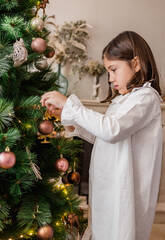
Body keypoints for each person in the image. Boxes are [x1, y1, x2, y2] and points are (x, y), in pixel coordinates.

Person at [40, 31, 163, 240]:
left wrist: (71, 105)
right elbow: (103, 136)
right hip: (108, 184)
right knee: (104, 227)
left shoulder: (146, 99)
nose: (110, 79)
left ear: (136, 63)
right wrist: (69, 118)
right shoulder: (122, 100)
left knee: (120, 230)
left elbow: (111, 129)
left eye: (113, 70)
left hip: (125, 189)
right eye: (108, 72)